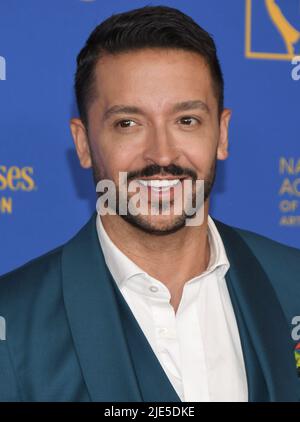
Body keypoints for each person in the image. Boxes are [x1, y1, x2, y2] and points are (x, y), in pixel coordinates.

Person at [0, 5, 299, 402]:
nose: (161, 154)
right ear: (84, 143)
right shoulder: (13, 324)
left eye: (187, 121)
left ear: (222, 134)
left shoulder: (291, 283)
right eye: (128, 123)